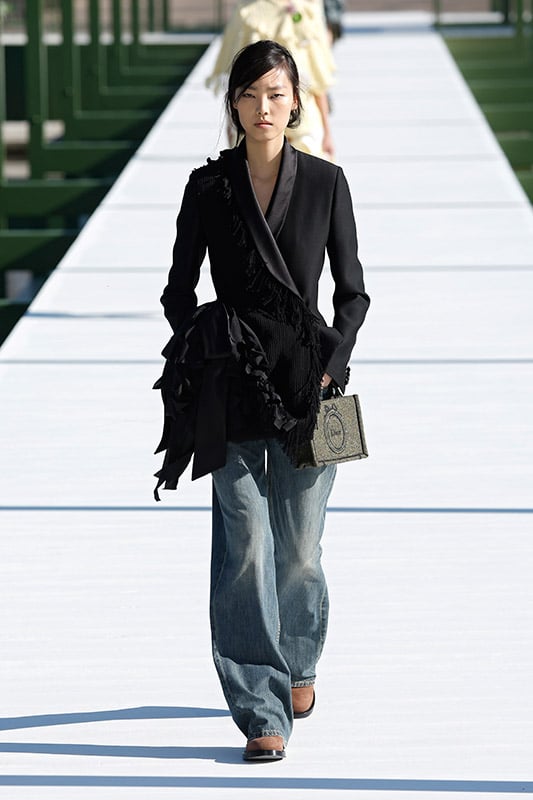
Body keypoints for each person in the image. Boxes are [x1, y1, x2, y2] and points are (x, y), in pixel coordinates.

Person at [156, 40, 369, 761]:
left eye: (275, 94)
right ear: (234, 104)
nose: (262, 107)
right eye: (249, 94)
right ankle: (259, 707)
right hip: (233, 380)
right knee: (245, 541)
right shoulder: (207, 187)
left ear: (296, 102)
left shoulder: (327, 183)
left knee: (301, 549)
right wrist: (202, 343)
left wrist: (331, 367)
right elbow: (178, 288)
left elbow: (353, 294)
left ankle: (300, 662)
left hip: (315, 384)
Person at [206, 0, 336, 159]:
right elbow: (235, 76)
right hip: (256, 119)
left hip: (302, 117)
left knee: (307, 164)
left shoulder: (304, 10)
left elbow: (317, 79)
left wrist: (327, 131)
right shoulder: (245, 12)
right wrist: (231, 121)